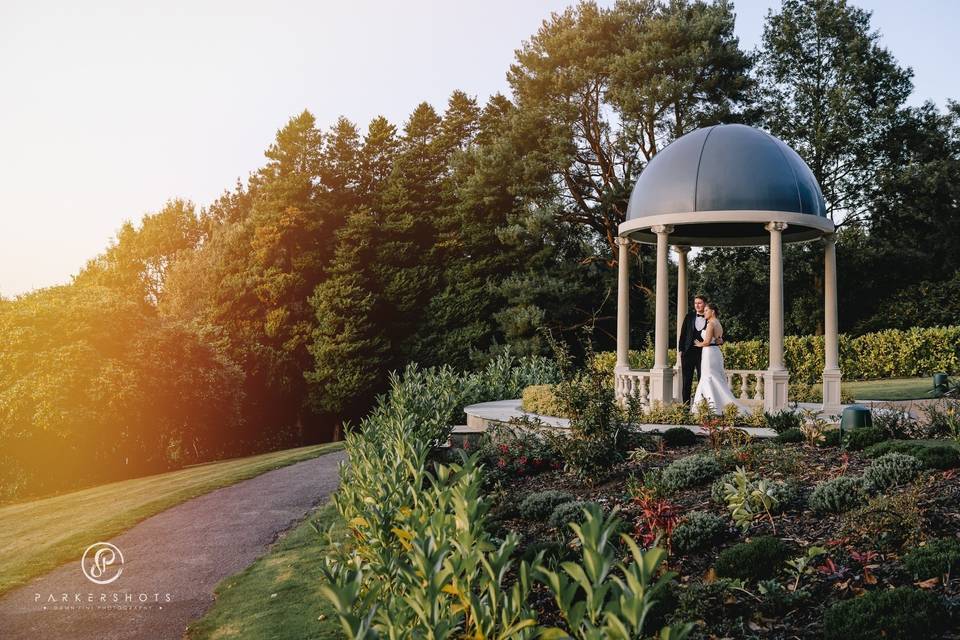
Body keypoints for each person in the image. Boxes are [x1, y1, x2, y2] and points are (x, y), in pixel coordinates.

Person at [692, 302, 743, 413]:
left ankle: (713, 408)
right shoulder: (718, 323)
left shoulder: (710, 324)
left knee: (708, 377)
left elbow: (707, 342)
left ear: (712, 311)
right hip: (715, 352)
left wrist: (697, 344)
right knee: (715, 377)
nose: (704, 312)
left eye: (706, 310)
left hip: (709, 353)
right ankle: (717, 405)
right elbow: (719, 340)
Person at [677, 294, 722, 404]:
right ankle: (685, 408)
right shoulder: (689, 317)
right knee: (686, 381)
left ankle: (703, 406)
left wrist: (719, 340)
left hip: (704, 354)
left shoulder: (711, 319)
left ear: (705, 304)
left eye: (699, 303)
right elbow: (682, 334)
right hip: (688, 353)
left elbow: (718, 337)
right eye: (695, 303)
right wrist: (681, 351)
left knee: (704, 380)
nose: (697, 305)